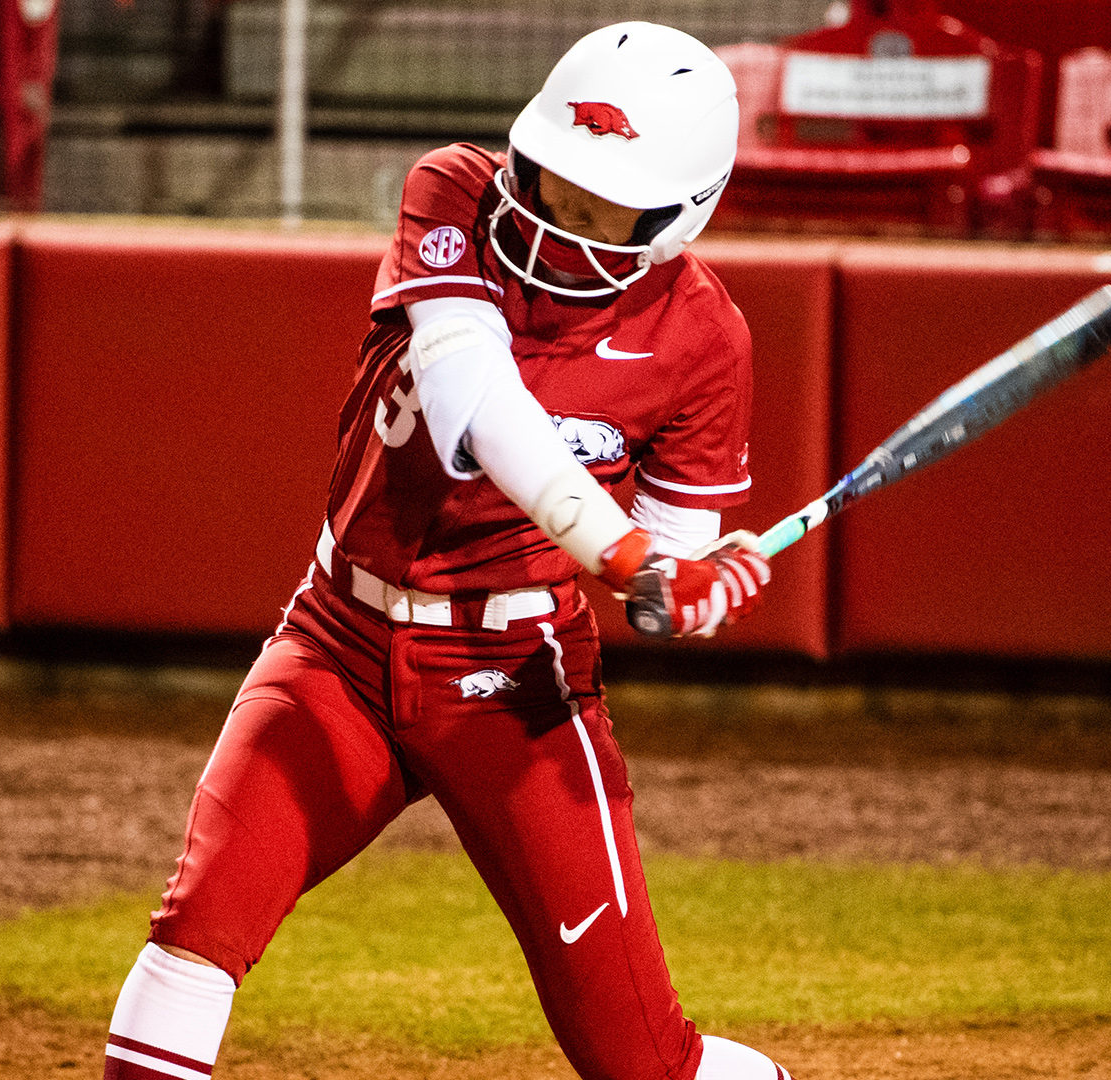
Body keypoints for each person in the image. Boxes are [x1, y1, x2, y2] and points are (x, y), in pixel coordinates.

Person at [102, 21, 791, 1080]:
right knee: (198, 928)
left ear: (677, 215)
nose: (562, 227)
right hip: (338, 643)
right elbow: (476, 400)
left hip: (518, 683)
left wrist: (694, 587)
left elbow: (669, 558)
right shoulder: (454, 192)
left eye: (602, 211)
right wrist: (621, 554)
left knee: (642, 1063)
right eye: (554, 187)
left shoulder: (706, 340)